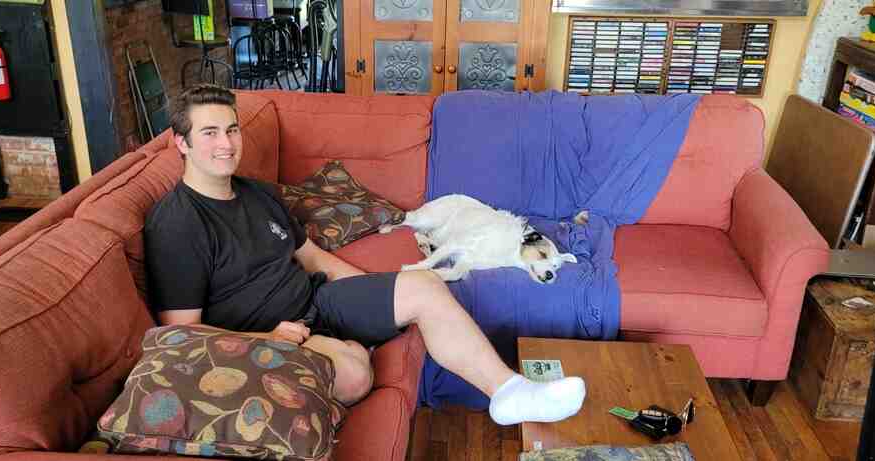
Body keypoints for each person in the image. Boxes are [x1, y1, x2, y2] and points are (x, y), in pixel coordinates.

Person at [144, 84, 585, 425]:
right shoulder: (177, 223)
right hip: (271, 333)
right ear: (181, 143)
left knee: (424, 286)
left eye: (232, 129)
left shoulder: (257, 194)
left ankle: (510, 392)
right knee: (355, 374)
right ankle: (341, 358)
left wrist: (376, 295)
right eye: (209, 133)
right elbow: (182, 333)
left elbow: (314, 259)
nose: (226, 143)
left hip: (316, 300)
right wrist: (266, 340)